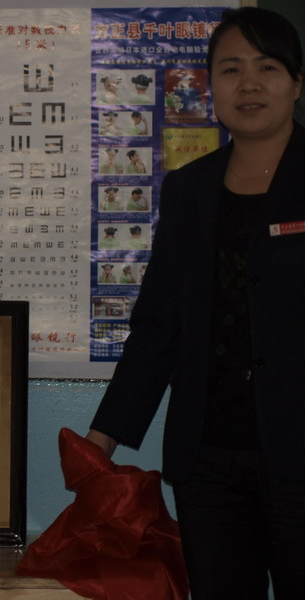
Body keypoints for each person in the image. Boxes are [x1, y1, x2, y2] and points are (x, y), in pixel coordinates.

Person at [86, 7, 305, 599]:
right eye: (231, 69)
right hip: (207, 463)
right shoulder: (188, 189)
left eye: (267, 67)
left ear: (296, 83)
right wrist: (103, 438)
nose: (249, 84)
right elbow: (160, 325)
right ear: (211, 87)